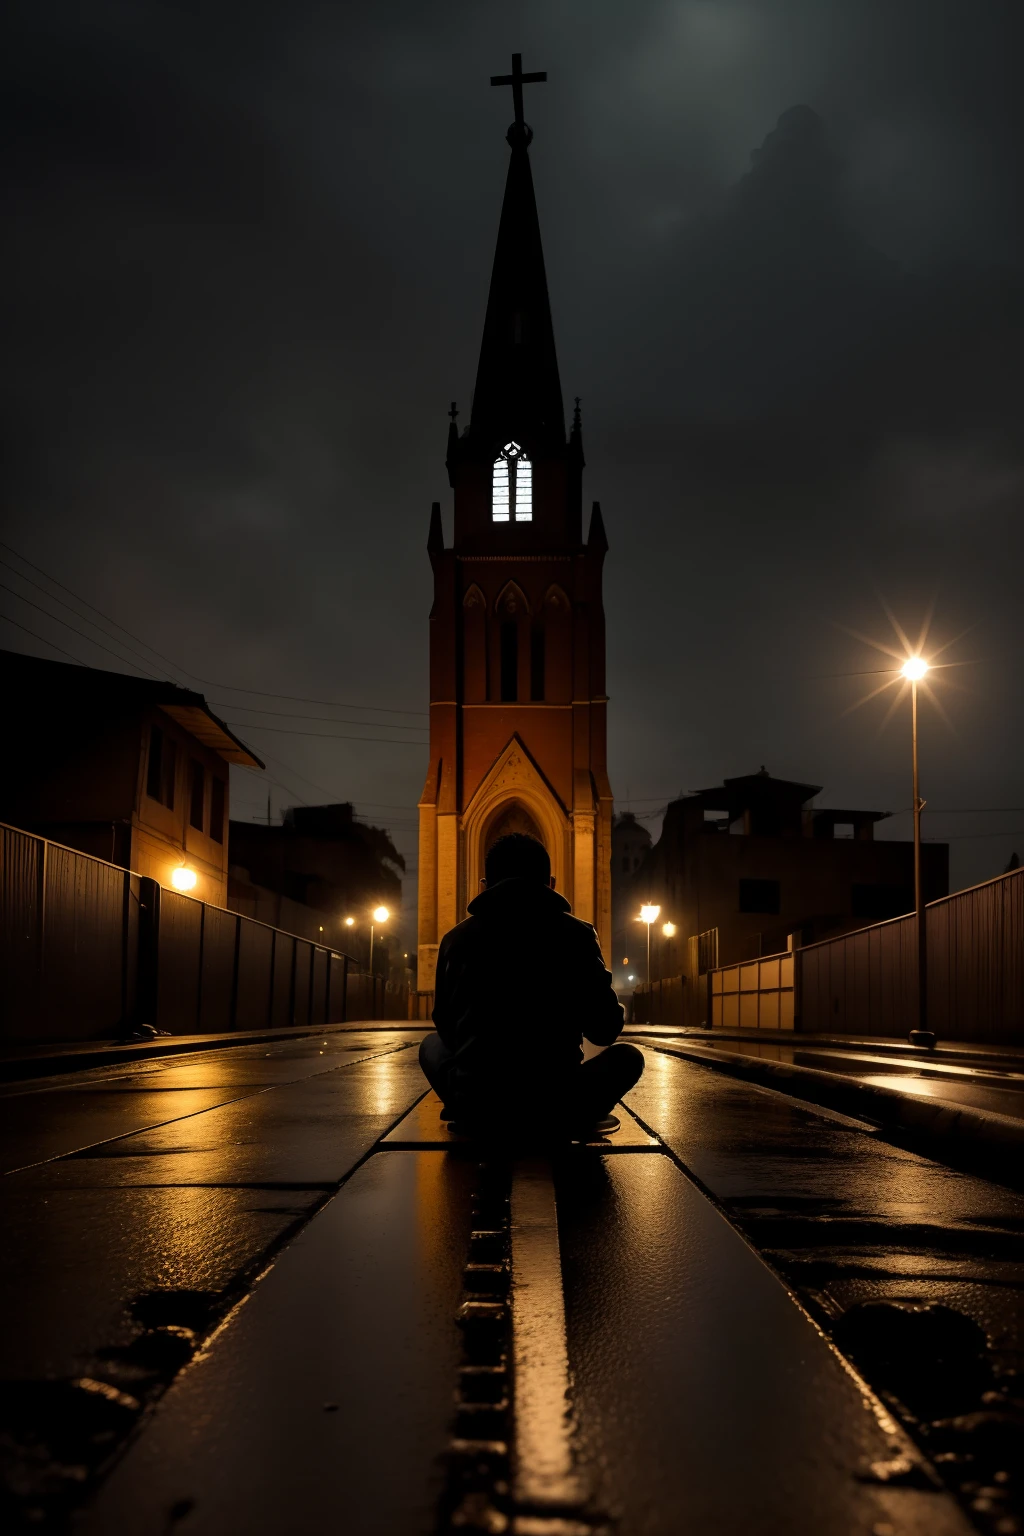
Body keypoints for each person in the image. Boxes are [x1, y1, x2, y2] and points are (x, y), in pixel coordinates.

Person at [419, 832, 644, 1135]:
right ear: (550, 884)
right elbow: (604, 1031)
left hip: (479, 1102)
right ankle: (573, 1113)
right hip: (557, 1101)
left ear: (484, 886)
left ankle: (468, 1105)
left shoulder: (455, 939)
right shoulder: (579, 935)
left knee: (429, 1046)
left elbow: (445, 1027)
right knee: (629, 1058)